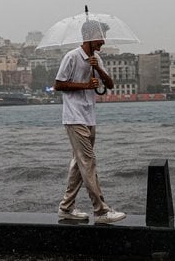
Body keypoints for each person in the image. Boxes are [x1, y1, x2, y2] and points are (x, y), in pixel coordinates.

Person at [54, 21, 126, 224]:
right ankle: (101, 210)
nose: (103, 41)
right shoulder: (72, 56)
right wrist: (85, 85)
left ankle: (66, 208)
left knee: (79, 163)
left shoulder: (96, 58)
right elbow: (58, 84)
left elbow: (110, 84)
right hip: (74, 117)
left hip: (89, 117)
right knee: (88, 162)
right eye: (101, 36)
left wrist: (99, 70)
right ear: (90, 36)